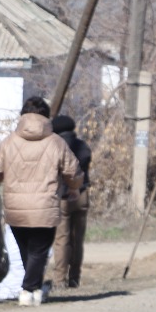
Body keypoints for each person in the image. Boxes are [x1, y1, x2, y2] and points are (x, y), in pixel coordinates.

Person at [0, 96, 80, 306]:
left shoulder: (9, 142)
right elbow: (73, 171)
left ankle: (35, 289)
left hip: (16, 208)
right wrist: (74, 188)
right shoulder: (56, 142)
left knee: (28, 251)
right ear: (46, 116)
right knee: (38, 251)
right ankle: (28, 290)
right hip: (45, 207)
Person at [47, 113, 93, 293]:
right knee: (78, 239)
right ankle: (75, 278)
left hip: (63, 197)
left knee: (62, 240)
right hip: (82, 196)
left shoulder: (55, 147)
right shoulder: (83, 146)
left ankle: (59, 279)